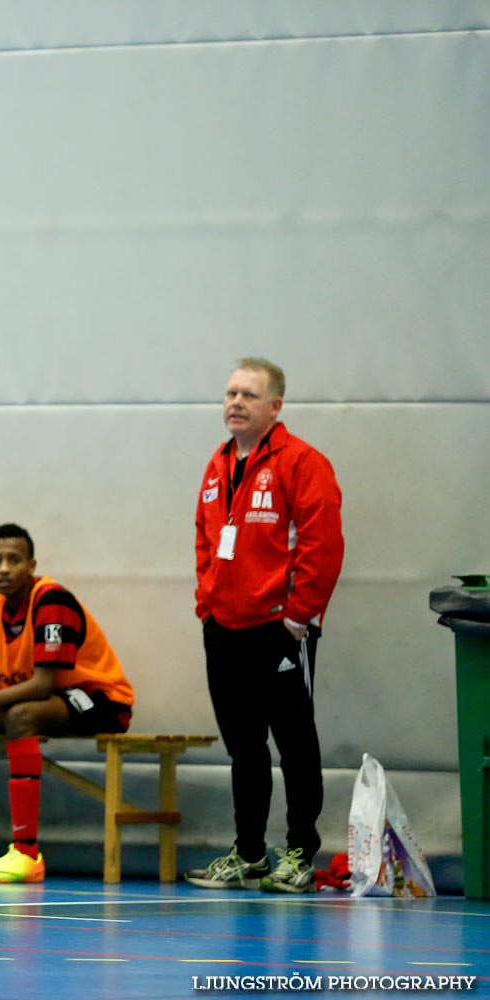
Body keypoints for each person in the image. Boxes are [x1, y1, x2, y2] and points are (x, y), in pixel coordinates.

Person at [185, 358, 343, 894]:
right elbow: (207, 540)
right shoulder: (217, 464)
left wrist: (297, 620)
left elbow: (323, 547)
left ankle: (299, 853)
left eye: (249, 395)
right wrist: (206, 600)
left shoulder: (302, 463)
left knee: (295, 743)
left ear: (275, 406)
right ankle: (249, 851)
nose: (235, 403)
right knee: (244, 747)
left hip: (279, 629)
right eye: (230, 392)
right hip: (223, 627)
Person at [0, 523, 135, 882]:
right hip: (40, 697)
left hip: (98, 697)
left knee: (20, 715)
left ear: (31, 566)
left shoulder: (51, 600)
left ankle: (27, 853)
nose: (3, 568)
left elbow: (41, 684)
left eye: (13, 560)